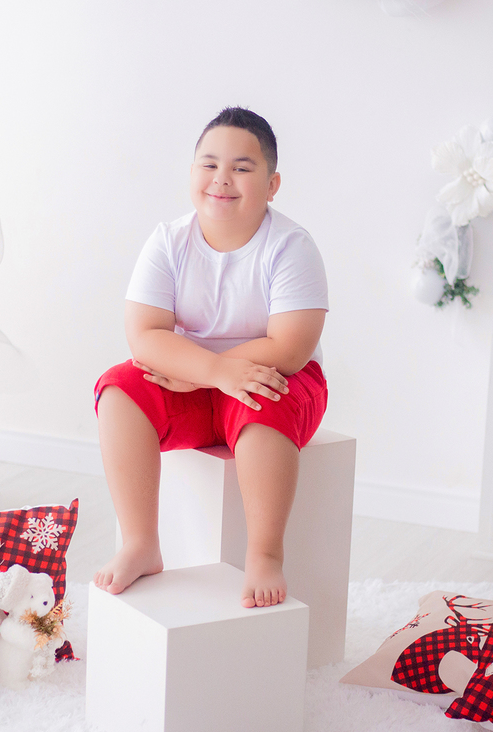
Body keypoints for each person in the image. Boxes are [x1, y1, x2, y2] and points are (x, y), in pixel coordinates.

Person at [92, 107, 329, 608]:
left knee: (266, 402)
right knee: (118, 387)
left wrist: (219, 374)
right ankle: (141, 542)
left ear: (272, 183)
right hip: (195, 379)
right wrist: (211, 374)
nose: (222, 179)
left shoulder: (290, 246)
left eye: (242, 168)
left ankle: (265, 553)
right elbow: (146, 335)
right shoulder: (168, 241)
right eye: (208, 164)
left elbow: (292, 345)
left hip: (273, 374)